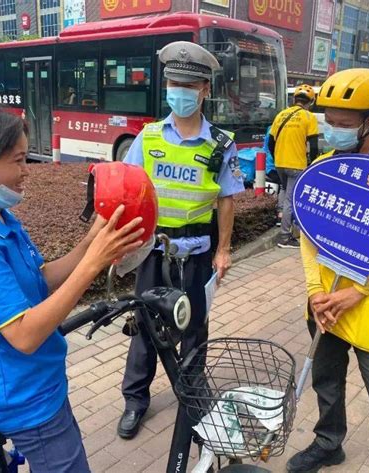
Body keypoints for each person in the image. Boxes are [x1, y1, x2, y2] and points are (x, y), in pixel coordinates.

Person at [0, 103, 146, 473]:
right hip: (23, 398)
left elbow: (41, 279)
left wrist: (90, 241)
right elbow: (25, 335)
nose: (25, 172)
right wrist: (94, 262)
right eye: (17, 161)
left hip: (37, 381)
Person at [117, 41, 244, 439]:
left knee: (194, 328)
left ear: (205, 90)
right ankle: (135, 400)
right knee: (144, 326)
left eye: (189, 85)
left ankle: (190, 392)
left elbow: (226, 201)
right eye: (174, 83)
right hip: (154, 253)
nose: (180, 91)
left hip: (198, 256)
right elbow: (128, 190)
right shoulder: (148, 138)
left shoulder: (221, 145)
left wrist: (223, 250)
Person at [287, 69, 369, 473]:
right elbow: (307, 238)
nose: (333, 131)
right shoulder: (321, 168)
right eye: (329, 122)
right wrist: (313, 293)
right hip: (322, 306)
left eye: (344, 124)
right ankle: (328, 443)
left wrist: (356, 291)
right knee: (327, 384)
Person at [268, 84, 319, 248]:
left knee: (283, 190)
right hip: (297, 165)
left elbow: (270, 142)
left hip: (280, 162)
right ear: (310, 102)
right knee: (292, 198)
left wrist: (278, 156)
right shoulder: (309, 117)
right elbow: (314, 145)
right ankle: (284, 236)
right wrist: (313, 162)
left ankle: (280, 219)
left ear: (294, 99)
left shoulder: (281, 115)